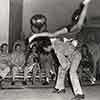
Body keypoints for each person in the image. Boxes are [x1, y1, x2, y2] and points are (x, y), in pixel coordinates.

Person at [29, 0, 91, 99]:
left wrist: (35, 36)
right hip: (72, 52)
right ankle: (60, 87)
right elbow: (49, 35)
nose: (47, 52)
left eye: (46, 50)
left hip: (75, 56)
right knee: (61, 68)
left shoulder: (56, 47)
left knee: (71, 71)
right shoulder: (55, 42)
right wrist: (35, 37)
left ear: (47, 46)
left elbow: (49, 35)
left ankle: (79, 94)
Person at [29, 14, 57, 85]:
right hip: (42, 53)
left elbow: (50, 43)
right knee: (46, 64)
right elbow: (32, 44)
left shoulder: (46, 34)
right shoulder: (36, 36)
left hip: (47, 52)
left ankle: (49, 77)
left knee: (47, 64)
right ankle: (51, 73)